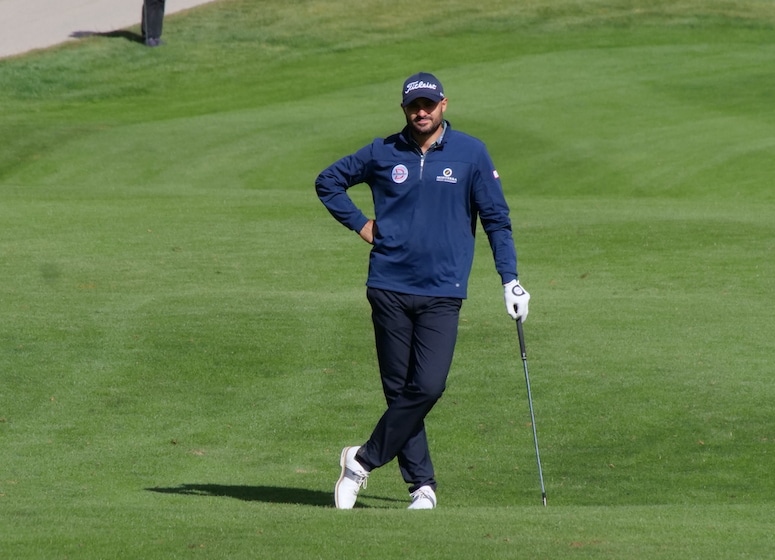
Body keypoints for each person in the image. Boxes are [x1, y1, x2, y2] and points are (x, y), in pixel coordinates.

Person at [315, 72, 530, 510]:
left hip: (442, 290)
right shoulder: (383, 151)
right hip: (388, 284)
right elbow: (328, 181)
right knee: (400, 390)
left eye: (429, 104)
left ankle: (360, 461)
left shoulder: (471, 154)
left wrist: (510, 278)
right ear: (404, 109)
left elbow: (496, 221)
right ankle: (422, 486)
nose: (422, 112)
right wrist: (361, 224)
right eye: (414, 106)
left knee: (428, 385)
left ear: (444, 105)